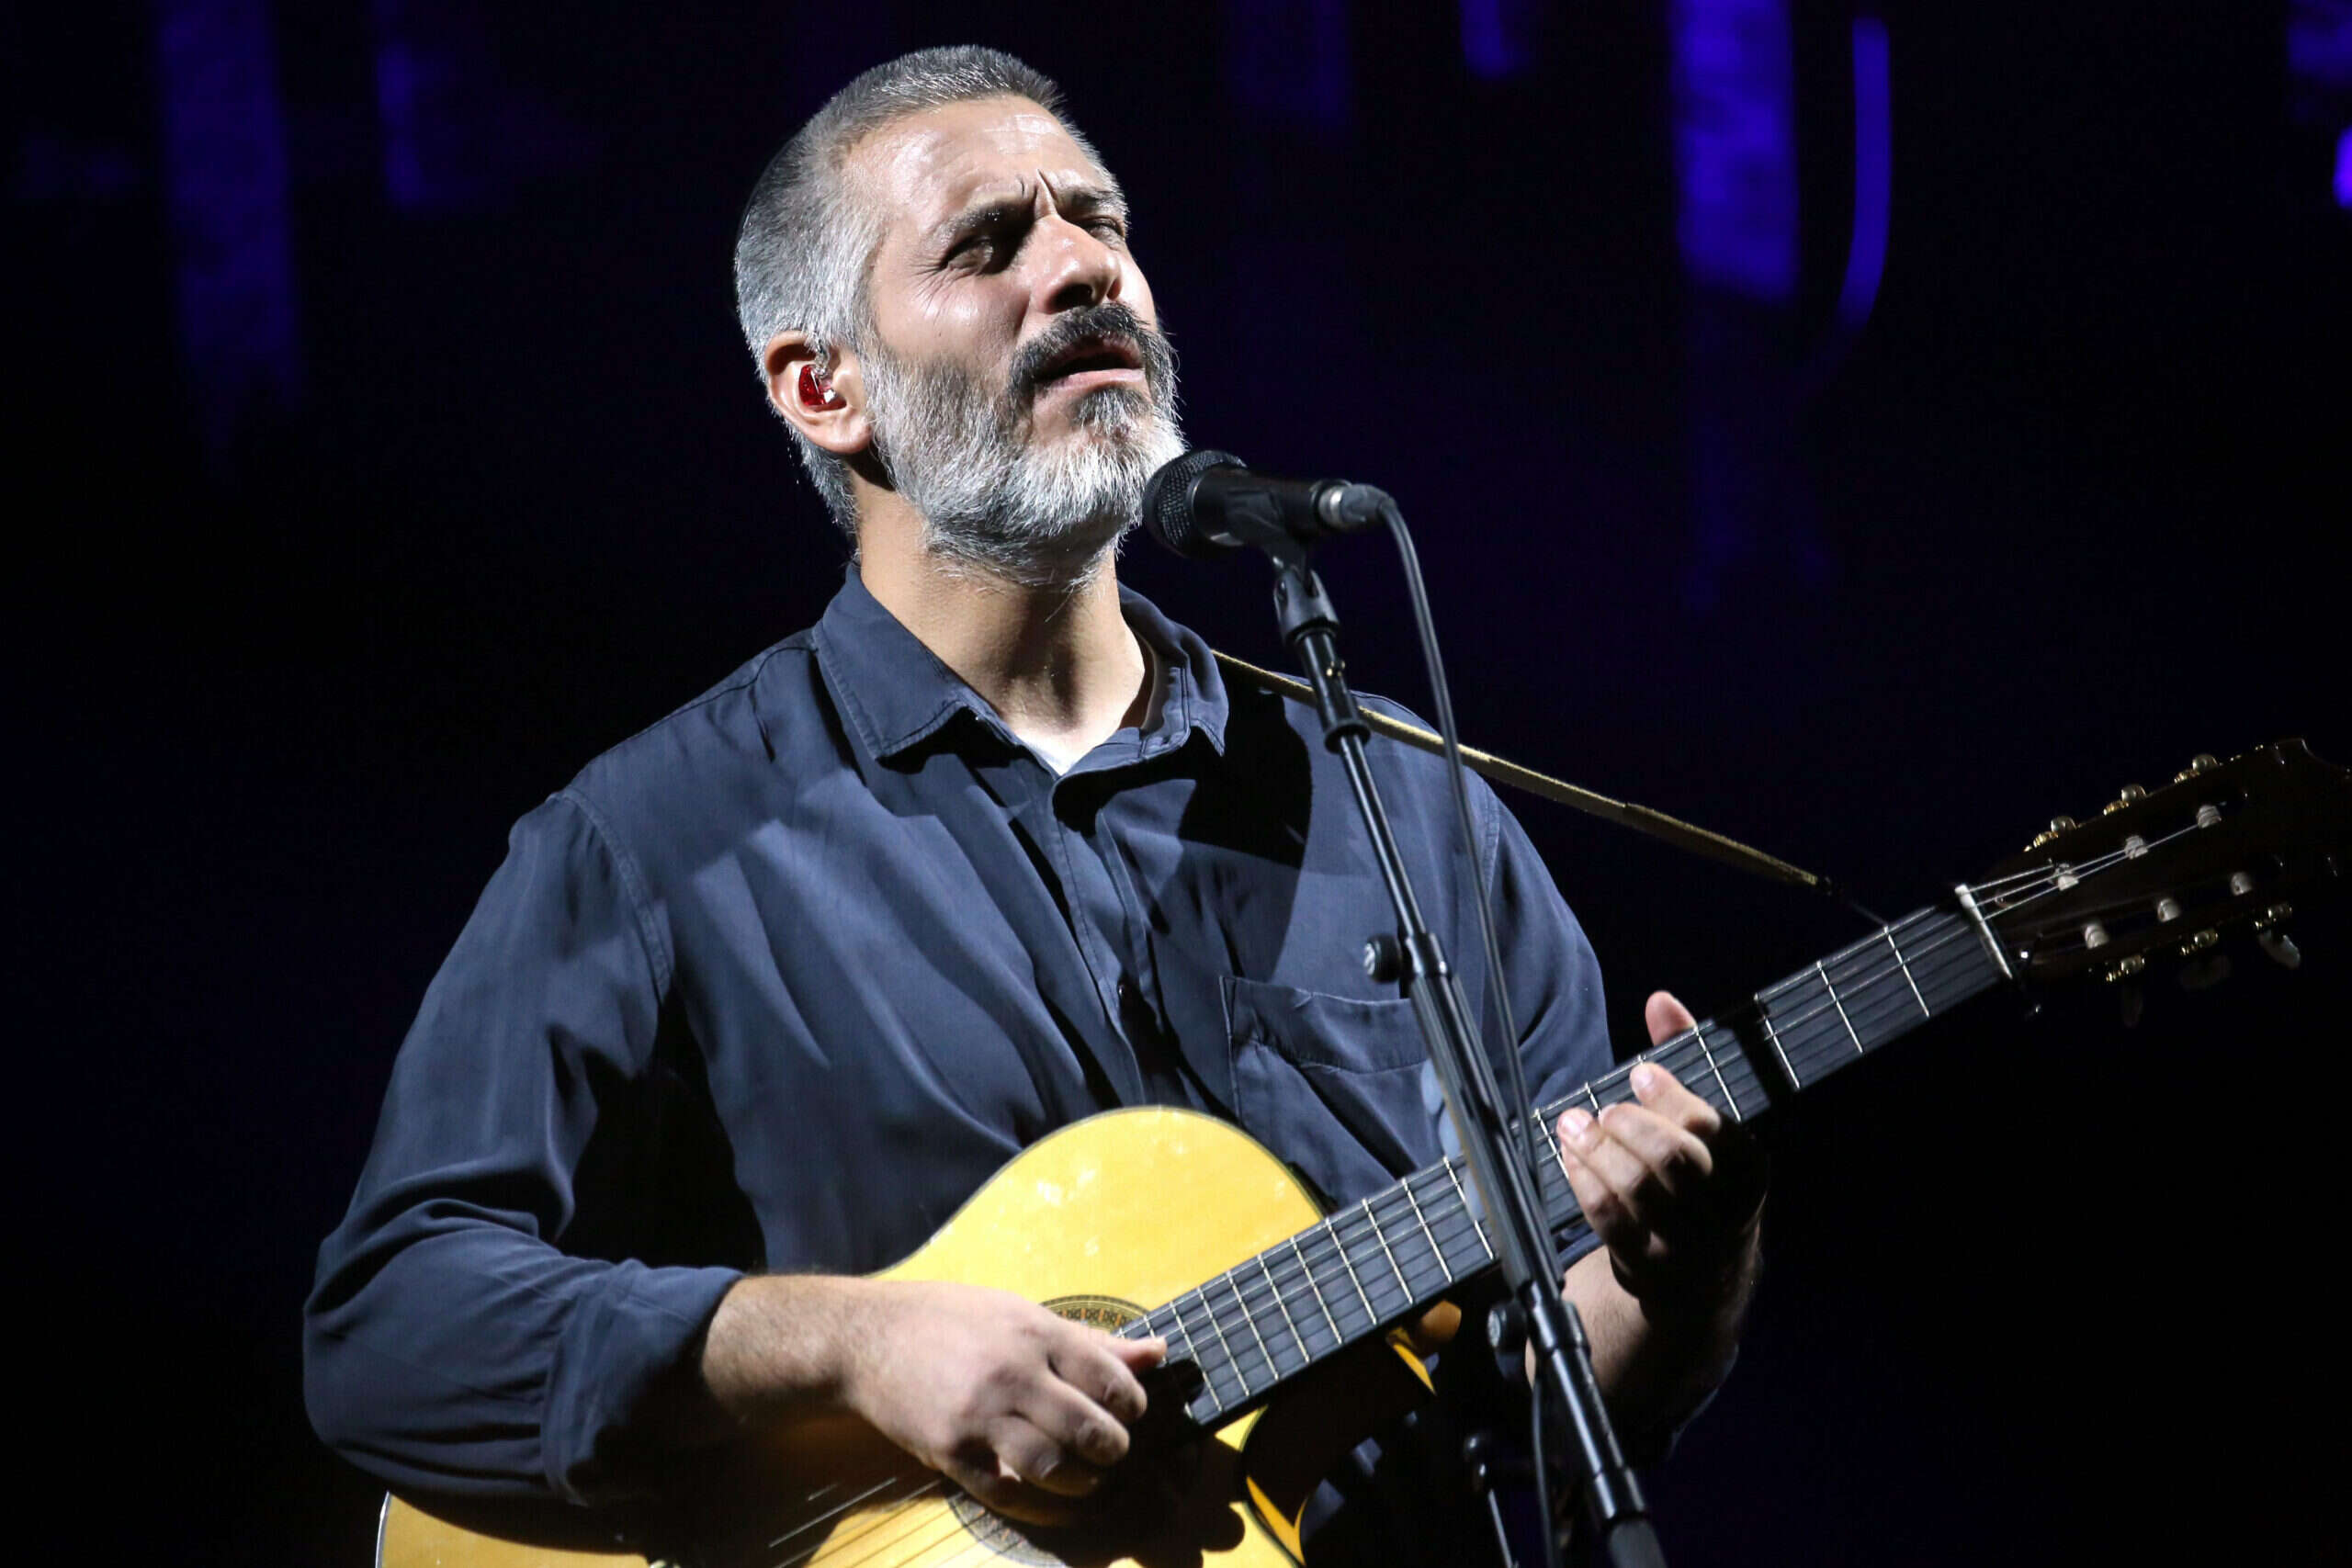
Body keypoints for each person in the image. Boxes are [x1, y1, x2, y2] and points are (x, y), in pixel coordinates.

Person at [303, 45, 1762, 1562]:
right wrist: (851, 1345)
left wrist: (1684, 1269)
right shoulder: (654, 843)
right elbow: (389, 1327)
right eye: (987, 244)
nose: (1081, 269)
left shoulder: (1400, 801)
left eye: (1100, 221)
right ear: (823, 388)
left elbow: (1552, 1409)